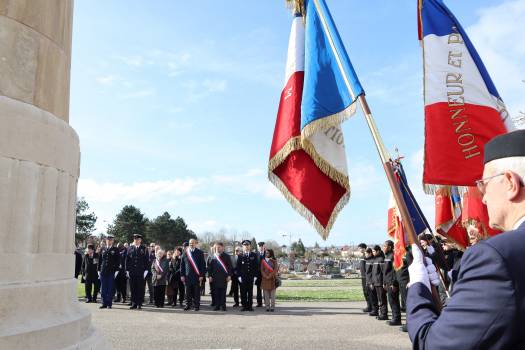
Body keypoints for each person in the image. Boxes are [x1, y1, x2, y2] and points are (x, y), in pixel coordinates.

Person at [407, 130, 525, 348]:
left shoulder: (495, 257)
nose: (485, 197)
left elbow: (434, 344)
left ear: (510, 182)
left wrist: (418, 289)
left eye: (483, 184)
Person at [181, 239, 206, 311]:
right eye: (190, 243)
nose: (191, 244)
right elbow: (182, 265)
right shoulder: (185, 252)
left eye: (193, 243)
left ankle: (196, 306)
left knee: (196, 292)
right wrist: (182, 275)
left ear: (196, 244)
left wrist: (201, 275)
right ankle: (187, 305)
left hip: (197, 276)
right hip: (187, 276)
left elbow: (202, 265)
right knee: (187, 292)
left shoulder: (200, 252)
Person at [207, 242, 233, 311]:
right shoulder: (212, 256)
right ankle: (217, 305)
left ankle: (223, 306)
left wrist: (229, 275)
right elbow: (209, 268)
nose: (217, 249)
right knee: (216, 292)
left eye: (219, 247)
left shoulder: (227, 256)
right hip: (214, 277)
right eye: (216, 247)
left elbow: (230, 267)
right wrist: (209, 276)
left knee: (223, 292)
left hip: (224, 277)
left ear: (222, 247)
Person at [126, 234, 149, 310]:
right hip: (132, 272)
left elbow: (147, 260)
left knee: (140, 288)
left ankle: (139, 303)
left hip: (140, 272)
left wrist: (146, 270)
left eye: (137, 239)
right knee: (133, 288)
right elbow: (127, 260)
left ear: (140, 240)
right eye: (135, 239)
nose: (136, 241)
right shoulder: (130, 248)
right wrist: (127, 270)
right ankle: (134, 303)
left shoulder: (144, 249)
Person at [98, 235, 120, 309]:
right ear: (106, 240)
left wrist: (116, 271)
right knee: (103, 288)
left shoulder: (116, 249)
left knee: (110, 288)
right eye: (108, 240)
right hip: (103, 271)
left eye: (111, 240)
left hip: (111, 271)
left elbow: (118, 261)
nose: (109, 241)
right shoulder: (102, 249)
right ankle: (104, 303)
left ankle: (109, 303)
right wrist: (98, 270)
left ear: (113, 241)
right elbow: (100, 260)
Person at [382, 240, 401, 326]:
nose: (383, 248)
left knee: (394, 300)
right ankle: (394, 317)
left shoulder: (393, 256)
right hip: (388, 282)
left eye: (385, 246)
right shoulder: (387, 256)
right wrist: (384, 282)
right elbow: (386, 271)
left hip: (392, 282)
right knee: (391, 300)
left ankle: (397, 319)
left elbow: (395, 271)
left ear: (389, 247)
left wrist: (394, 283)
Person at [237, 240, 258, 311]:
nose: (246, 246)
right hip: (243, 277)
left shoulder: (254, 255)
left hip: (251, 277)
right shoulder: (240, 256)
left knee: (250, 292)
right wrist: (239, 276)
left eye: (247, 245)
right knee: (243, 292)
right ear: (243, 246)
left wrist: (255, 276)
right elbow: (238, 267)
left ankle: (250, 306)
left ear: (250, 246)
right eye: (245, 245)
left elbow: (256, 267)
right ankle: (244, 306)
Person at [372, 245, 388, 320]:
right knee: (380, 299)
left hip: (380, 282)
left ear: (378, 251)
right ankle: (381, 313)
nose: (373, 252)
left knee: (382, 299)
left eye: (374, 251)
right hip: (376, 282)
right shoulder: (376, 259)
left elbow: (383, 272)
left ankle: (384, 314)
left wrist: (384, 282)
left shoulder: (381, 259)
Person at [357, 243, 371, 313]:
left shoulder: (366, 256)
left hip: (367, 277)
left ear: (364, 248)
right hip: (363, 276)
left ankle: (370, 306)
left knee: (368, 292)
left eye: (360, 248)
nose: (359, 249)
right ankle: (368, 305)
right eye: (359, 248)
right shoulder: (362, 256)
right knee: (365, 292)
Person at [364, 247, 378, 317]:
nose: (365, 254)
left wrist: (372, 282)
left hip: (371, 282)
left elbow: (373, 273)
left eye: (366, 253)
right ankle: (372, 309)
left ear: (370, 253)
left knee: (373, 297)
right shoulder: (368, 260)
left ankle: (375, 310)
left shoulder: (373, 261)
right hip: (368, 281)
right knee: (370, 296)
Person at [255, 241, 266, 307]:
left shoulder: (267, 254)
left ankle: (266, 302)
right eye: (260, 246)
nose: (261, 247)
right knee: (258, 289)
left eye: (262, 246)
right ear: (258, 247)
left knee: (265, 289)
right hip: (258, 275)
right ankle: (259, 303)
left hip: (265, 275)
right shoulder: (255, 254)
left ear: (264, 247)